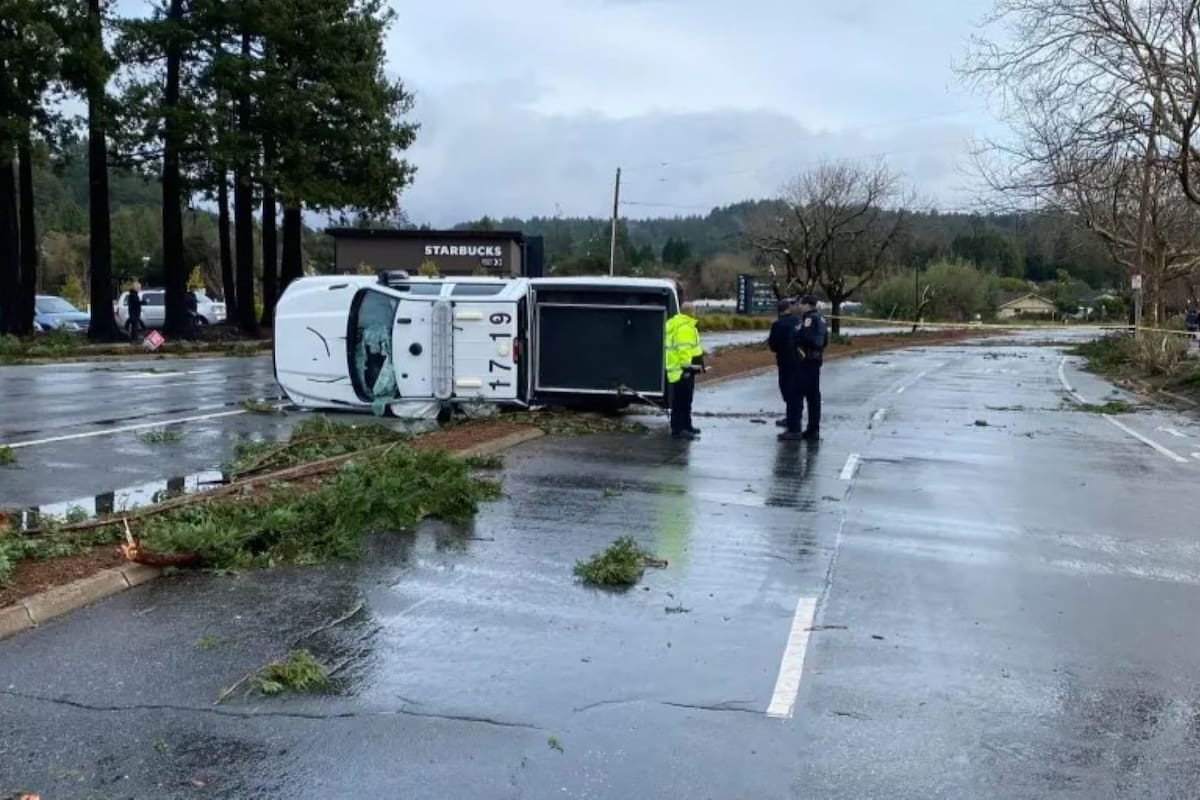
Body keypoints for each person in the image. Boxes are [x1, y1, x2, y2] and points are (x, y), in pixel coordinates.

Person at [787, 294, 827, 441]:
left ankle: (797, 429)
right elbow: (824, 341)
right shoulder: (821, 319)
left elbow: (807, 338)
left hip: (806, 361)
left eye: (801, 304)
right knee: (813, 396)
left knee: (796, 393)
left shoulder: (809, 319)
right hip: (815, 360)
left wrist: (797, 334)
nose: (800, 306)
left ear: (807, 305)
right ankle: (813, 428)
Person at [664, 297, 705, 439]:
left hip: (681, 370)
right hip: (683, 371)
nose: (695, 313)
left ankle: (686, 425)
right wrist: (687, 369)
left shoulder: (683, 325)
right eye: (694, 310)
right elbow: (684, 350)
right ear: (690, 312)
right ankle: (679, 429)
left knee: (685, 400)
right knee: (681, 401)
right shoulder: (684, 327)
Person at [768, 297, 800, 429]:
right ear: (789, 309)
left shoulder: (777, 325)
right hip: (799, 359)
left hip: (785, 360)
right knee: (797, 389)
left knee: (786, 388)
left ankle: (792, 419)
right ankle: (795, 416)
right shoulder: (798, 321)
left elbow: (773, 345)